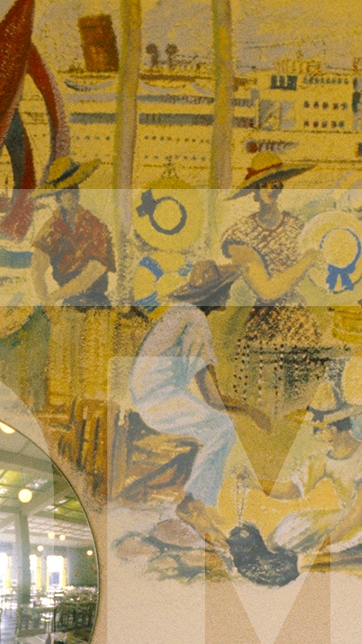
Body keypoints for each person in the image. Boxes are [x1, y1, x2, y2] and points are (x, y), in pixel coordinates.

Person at [127, 260, 271, 549]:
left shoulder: (181, 315)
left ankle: (198, 505)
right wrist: (253, 412)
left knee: (216, 426)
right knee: (222, 428)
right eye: (225, 290)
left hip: (151, 393)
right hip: (157, 398)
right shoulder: (195, 320)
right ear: (213, 295)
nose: (229, 295)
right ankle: (192, 505)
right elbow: (213, 397)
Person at [221, 152, 323, 415]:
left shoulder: (298, 227)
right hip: (265, 322)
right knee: (263, 398)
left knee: (306, 399)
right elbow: (266, 290)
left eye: (275, 184)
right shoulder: (240, 234)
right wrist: (306, 262)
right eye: (264, 184)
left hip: (299, 321)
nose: (271, 190)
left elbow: (322, 273)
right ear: (254, 190)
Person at [248, 393, 362, 564]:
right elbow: (290, 490)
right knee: (288, 530)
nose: (327, 436)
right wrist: (254, 482)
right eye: (321, 430)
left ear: (344, 425)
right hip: (347, 515)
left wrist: (332, 538)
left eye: (331, 429)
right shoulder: (322, 459)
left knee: (324, 545)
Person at [30, 156, 114, 411]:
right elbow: (37, 269)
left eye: (73, 190)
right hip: (67, 307)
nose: (69, 196)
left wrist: (55, 296)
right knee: (63, 374)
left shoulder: (96, 226)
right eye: (63, 192)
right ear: (56, 196)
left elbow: (94, 270)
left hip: (96, 305)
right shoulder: (51, 228)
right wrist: (47, 302)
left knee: (94, 375)